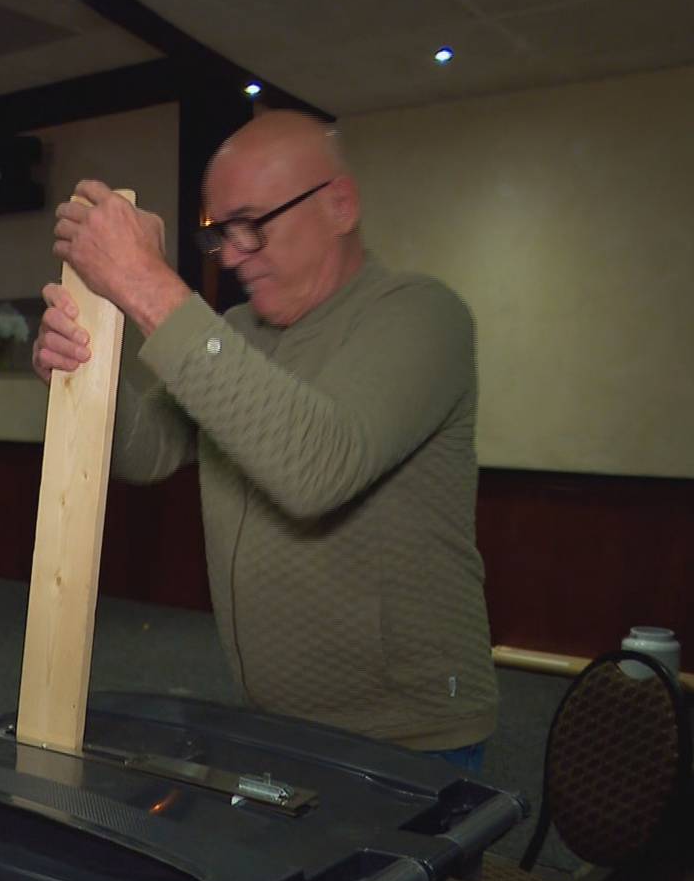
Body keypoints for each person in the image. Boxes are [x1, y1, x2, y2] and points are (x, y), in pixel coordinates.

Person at [34, 110, 497, 769]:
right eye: (223, 231)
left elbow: (316, 468)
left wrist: (142, 280)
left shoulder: (421, 315)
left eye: (253, 222)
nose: (236, 252)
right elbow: (149, 451)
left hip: (406, 739)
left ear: (339, 204)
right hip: (273, 722)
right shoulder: (239, 331)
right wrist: (76, 373)